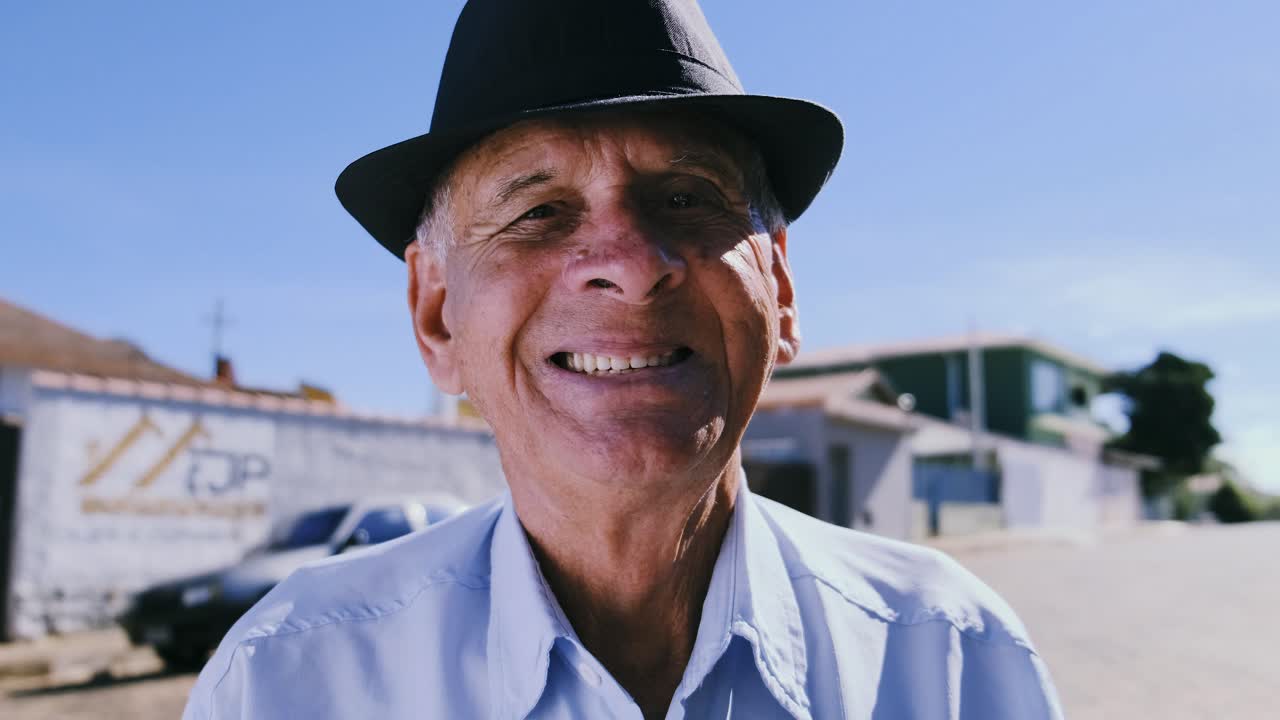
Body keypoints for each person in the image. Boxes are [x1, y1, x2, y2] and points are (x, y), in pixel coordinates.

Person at [184, 1, 1063, 718]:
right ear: (437, 316)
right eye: (538, 212)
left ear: (781, 289)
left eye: (686, 197)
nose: (633, 263)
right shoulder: (289, 683)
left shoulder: (951, 661)